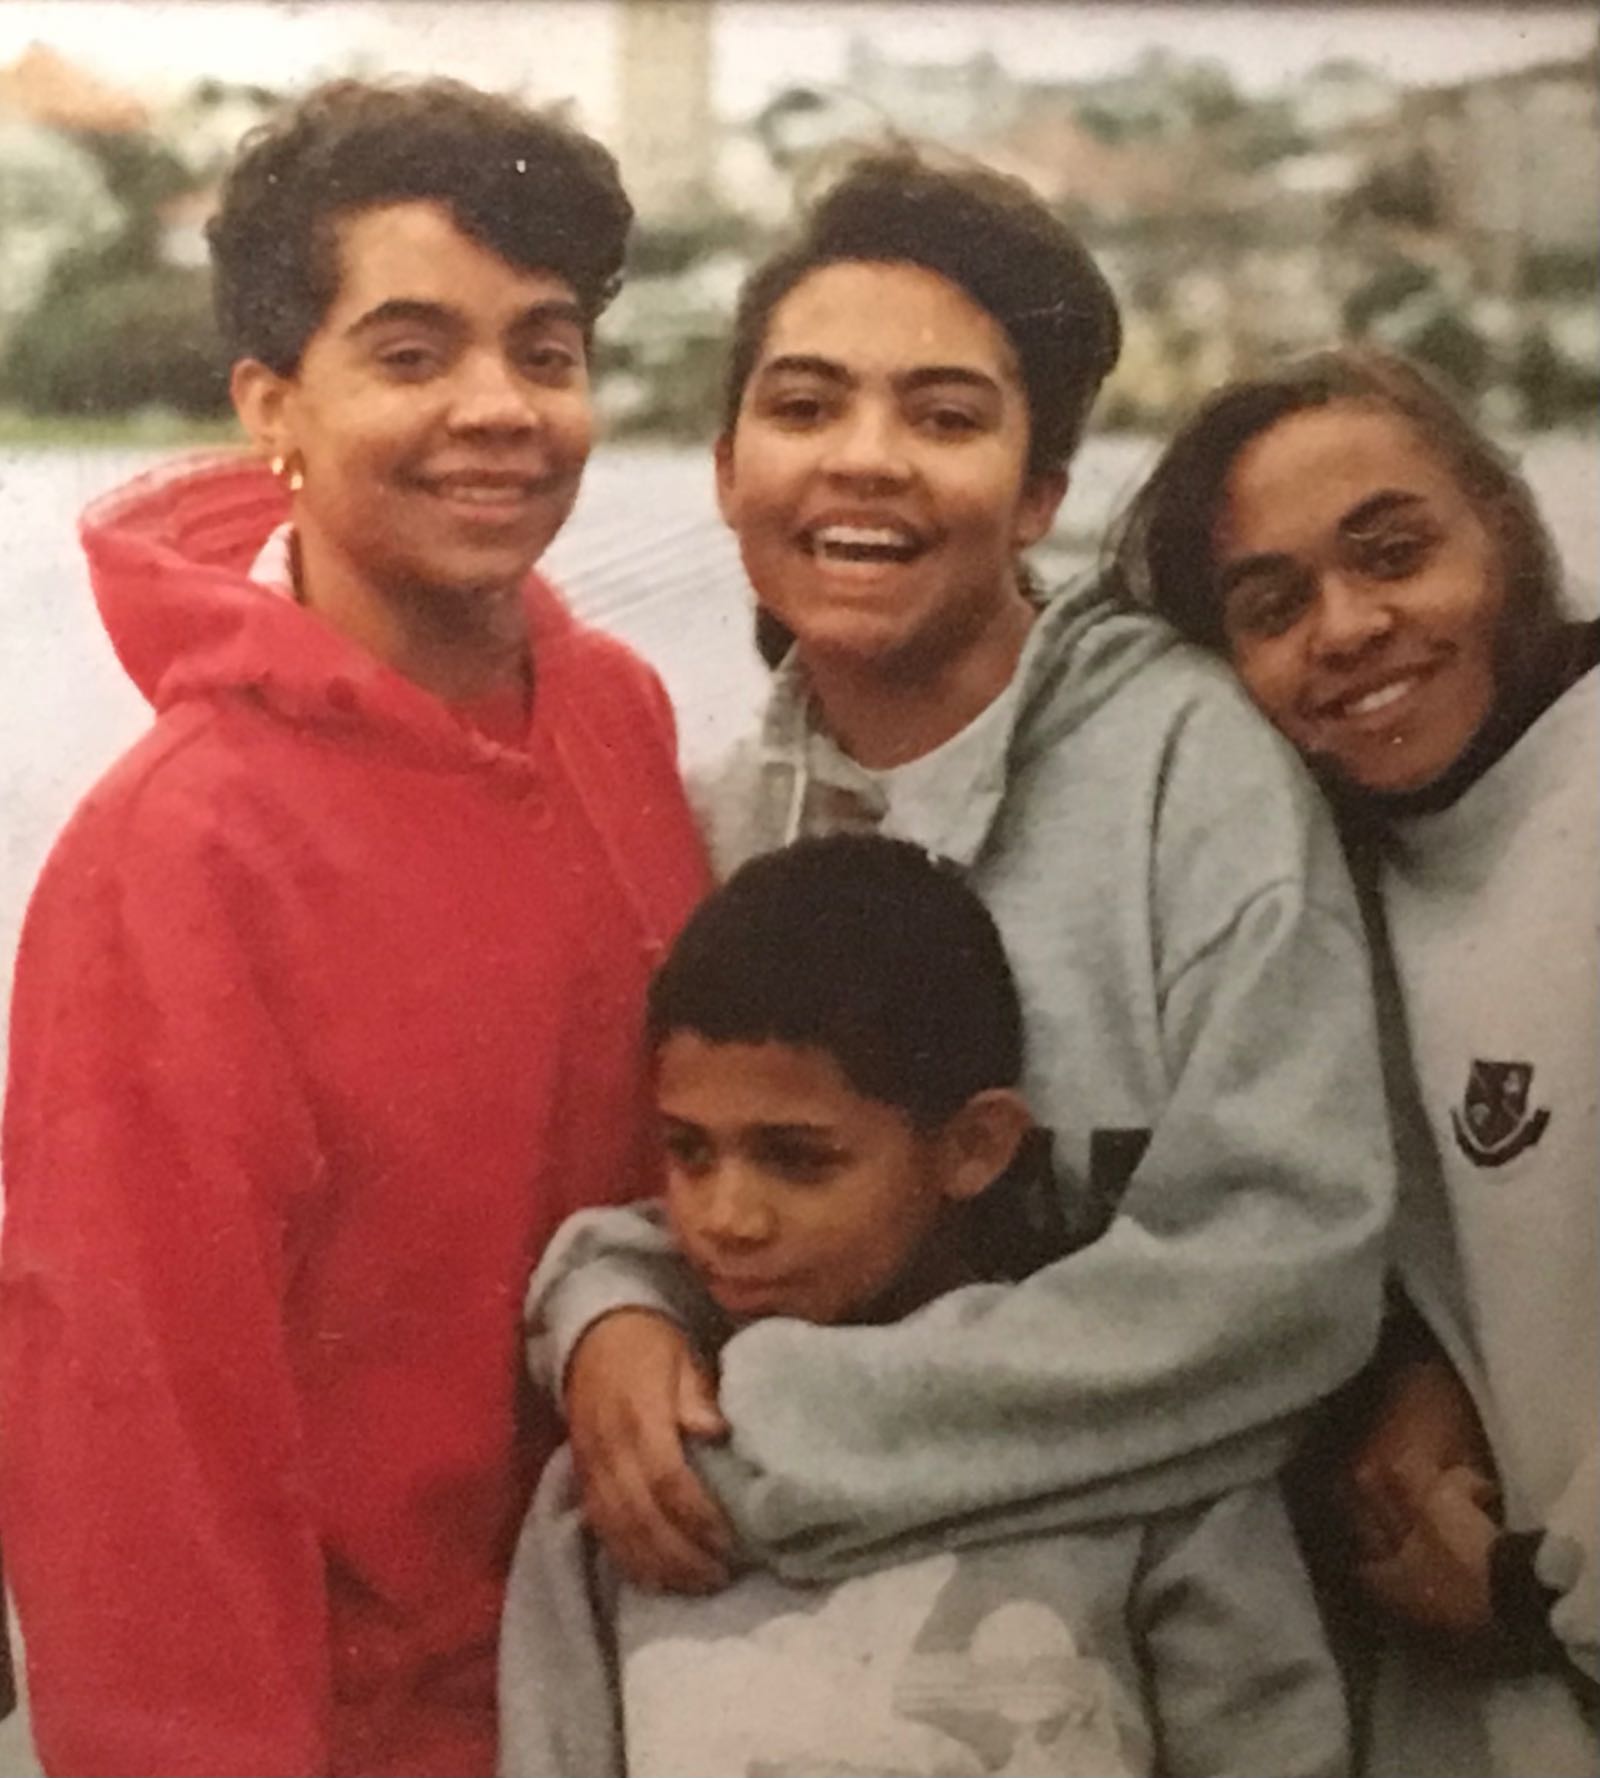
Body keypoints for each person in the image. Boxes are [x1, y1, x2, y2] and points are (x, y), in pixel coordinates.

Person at [528, 143, 1398, 1642]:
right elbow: (678, 1195)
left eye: (944, 416)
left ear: (1040, 488)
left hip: (1166, 1667)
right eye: (806, 406)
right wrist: (603, 1308)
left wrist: (782, 1441)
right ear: (728, 469)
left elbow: (1288, 1276)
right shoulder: (717, 817)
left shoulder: (1194, 775)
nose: (865, 459)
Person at [0, 78, 707, 1777]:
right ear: (274, 404)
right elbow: (139, 1466)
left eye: (545, 349)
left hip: (675, 1675)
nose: (499, 408)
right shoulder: (177, 856)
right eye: (411, 353)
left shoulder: (612, 713)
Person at [501, 833, 1350, 1778]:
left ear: (975, 1146)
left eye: (798, 1158)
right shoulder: (628, 1472)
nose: (727, 1217)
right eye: (690, 1152)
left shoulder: (1143, 1452)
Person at [1107, 344, 1598, 1774]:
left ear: (1502, 526)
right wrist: (1409, 1355)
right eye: (1271, 606)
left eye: (1394, 553)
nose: (1348, 627)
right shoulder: (1322, 886)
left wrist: (1525, 1592)